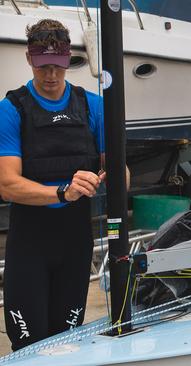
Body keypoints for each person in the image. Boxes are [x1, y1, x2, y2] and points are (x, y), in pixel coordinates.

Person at [0, 19, 106, 351]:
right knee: (29, 348)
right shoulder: (11, 109)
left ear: (68, 59)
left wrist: (106, 177)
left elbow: (122, 175)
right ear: (30, 59)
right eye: (43, 66)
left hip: (74, 243)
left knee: (67, 345)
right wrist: (63, 192)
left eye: (58, 66)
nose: (51, 76)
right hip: (29, 244)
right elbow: (7, 185)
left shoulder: (92, 106)